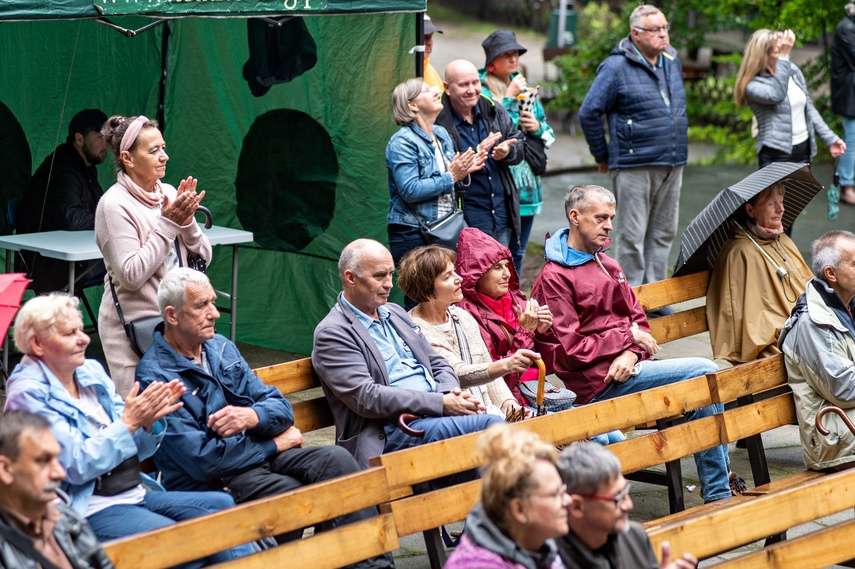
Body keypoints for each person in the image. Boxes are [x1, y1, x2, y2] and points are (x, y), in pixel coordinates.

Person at [135, 268, 393, 566]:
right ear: (172, 315)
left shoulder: (220, 348)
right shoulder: (156, 376)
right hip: (216, 479)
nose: (215, 313)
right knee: (292, 496)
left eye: (213, 302)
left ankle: (372, 566)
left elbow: (279, 408)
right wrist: (275, 444)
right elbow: (201, 460)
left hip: (255, 457)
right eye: (201, 306)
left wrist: (252, 417)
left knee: (338, 461)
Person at [3, 294, 252, 567]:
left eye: (81, 328)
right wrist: (129, 423)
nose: (84, 338)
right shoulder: (29, 396)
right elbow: (72, 465)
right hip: (86, 508)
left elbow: (136, 448)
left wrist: (148, 422)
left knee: (222, 510)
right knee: (182, 545)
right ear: (38, 344)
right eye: (70, 333)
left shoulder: (90, 372)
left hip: (135, 493)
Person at [530, 185, 736, 503]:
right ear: (575, 216)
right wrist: (626, 340)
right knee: (704, 371)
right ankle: (719, 492)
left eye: (611, 217)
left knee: (704, 389)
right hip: (598, 387)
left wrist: (630, 351)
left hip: (633, 370)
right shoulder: (554, 278)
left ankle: (718, 492)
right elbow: (569, 352)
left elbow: (640, 325)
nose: (609, 225)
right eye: (600, 218)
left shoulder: (609, 266)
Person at [312, 238, 504, 471]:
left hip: (431, 419)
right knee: (493, 428)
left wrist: (447, 395)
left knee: (489, 458)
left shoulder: (393, 312)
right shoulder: (333, 332)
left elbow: (438, 363)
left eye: (391, 274)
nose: (389, 284)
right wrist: (439, 403)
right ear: (350, 278)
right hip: (392, 433)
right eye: (379, 276)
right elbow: (368, 398)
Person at [95, 115, 212, 397]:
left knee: (191, 414)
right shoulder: (113, 206)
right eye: (154, 150)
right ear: (128, 158)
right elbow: (132, 276)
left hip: (179, 325)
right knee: (146, 420)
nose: (165, 156)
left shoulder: (169, 193)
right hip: (136, 332)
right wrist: (169, 224)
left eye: (163, 147)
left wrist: (186, 223)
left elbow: (204, 258)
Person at [577, 5, 686, 292]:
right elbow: (588, 112)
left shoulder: (671, 60)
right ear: (636, 34)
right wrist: (603, 154)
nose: (663, 34)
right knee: (632, 236)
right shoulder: (615, 67)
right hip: (634, 163)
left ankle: (657, 293)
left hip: (673, 160)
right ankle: (632, 298)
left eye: (665, 27)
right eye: (655, 29)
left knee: (663, 233)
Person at [397, 244, 536, 420]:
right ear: (427, 292)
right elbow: (457, 373)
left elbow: (487, 366)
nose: (459, 279)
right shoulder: (416, 330)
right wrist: (507, 365)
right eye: (448, 276)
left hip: (493, 413)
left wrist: (510, 406)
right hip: (465, 419)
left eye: (454, 271)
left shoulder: (462, 316)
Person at [706, 182, 812, 363]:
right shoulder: (741, 252)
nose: (780, 209)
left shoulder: (782, 239)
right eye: (772, 203)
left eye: (781, 201)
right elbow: (750, 321)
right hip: (779, 338)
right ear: (750, 210)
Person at [386, 78, 482, 275]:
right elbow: (410, 190)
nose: (436, 91)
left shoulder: (441, 134)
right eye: (427, 90)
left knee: (446, 296)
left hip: (445, 229)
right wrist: (452, 176)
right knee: (421, 298)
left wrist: (464, 173)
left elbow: (451, 180)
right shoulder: (402, 142)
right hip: (413, 232)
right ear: (412, 105)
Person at [779, 230, 855, 471]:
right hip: (834, 436)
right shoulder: (813, 323)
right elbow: (843, 389)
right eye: (854, 264)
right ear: (831, 273)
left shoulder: (850, 303)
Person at [480, 30, 555, 273]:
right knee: (498, 253)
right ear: (491, 63)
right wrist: (510, 98)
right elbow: (493, 129)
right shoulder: (481, 91)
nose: (514, 59)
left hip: (528, 188)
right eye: (506, 55)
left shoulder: (529, 91)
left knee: (519, 252)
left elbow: (549, 135)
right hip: (500, 186)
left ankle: (516, 304)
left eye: (516, 54)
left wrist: (538, 126)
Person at [0, 411, 115, 569]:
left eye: (57, 459)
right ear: (6, 469)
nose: (59, 473)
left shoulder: (67, 520)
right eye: (43, 461)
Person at [557, 442, 699, 569]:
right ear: (577, 507)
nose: (629, 505)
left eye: (626, 491)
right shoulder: (553, 561)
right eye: (617, 498)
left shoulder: (634, 536)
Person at [444, 424, 568, 568]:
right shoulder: (479, 565)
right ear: (519, 509)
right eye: (555, 494)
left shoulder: (540, 545)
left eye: (564, 490)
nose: (568, 500)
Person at [18, 109, 108, 293]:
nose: (105, 143)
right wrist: (115, 221)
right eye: (99, 137)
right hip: (44, 261)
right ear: (79, 139)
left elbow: (102, 207)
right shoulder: (62, 168)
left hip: (72, 254)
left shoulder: (86, 167)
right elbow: (73, 219)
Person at [436, 59, 524, 247]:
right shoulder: (438, 119)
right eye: (463, 85)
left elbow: (518, 143)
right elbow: (436, 170)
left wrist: (507, 152)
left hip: (499, 214)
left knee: (500, 273)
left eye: (475, 83)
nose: (472, 89)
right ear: (447, 87)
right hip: (464, 218)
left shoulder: (491, 108)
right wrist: (475, 154)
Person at [734, 29, 845, 168]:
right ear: (763, 54)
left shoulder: (793, 71)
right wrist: (784, 57)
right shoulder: (752, 86)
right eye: (778, 49)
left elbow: (808, 109)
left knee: (800, 191)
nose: (783, 50)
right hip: (776, 153)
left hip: (804, 149)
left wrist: (830, 139)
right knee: (776, 191)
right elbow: (777, 95)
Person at [831, 3, 855, 205]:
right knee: (852, 140)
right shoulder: (847, 27)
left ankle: (840, 181)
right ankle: (846, 187)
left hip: (851, 93)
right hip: (849, 94)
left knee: (852, 139)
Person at [423, 14, 444, 93]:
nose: (429, 43)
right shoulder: (404, 71)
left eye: (430, 37)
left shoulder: (428, 68)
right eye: (424, 37)